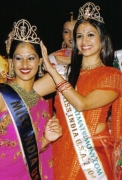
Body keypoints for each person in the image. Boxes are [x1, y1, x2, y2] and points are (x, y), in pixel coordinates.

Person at [33, 2, 122, 179]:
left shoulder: (112, 76)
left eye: (90, 35)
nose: (84, 41)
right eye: (79, 36)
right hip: (61, 150)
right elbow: (28, 93)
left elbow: (83, 104)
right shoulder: (66, 73)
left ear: (103, 40)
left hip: (93, 155)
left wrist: (52, 71)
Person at [0, 19, 62, 180]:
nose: (25, 64)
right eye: (19, 58)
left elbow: (27, 152)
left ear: (41, 61)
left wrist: (47, 139)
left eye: (31, 58)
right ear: (11, 62)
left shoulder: (40, 102)